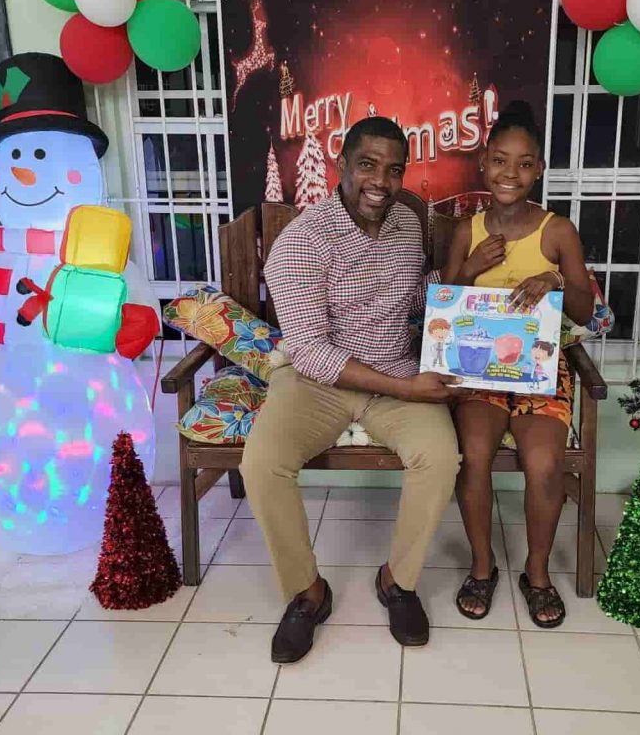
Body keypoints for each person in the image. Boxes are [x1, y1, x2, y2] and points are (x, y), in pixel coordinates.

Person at [240, 116, 462, 664]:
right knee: (261, 464)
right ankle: (307, 592)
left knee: (440, 458)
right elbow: (311, 352)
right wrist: (406, 388)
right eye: (367, 165)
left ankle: (398, 582)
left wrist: (462, 277)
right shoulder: (301, 242)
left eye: (394, 169)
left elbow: (411, 299)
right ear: (341, 163)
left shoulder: (406, 222)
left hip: (395, 370)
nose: (381, 181)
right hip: (319, 381)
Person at [441, 100, 595, 628]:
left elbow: (583, 312)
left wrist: (556, 279)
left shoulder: (557, 231)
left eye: (525, 163)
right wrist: (470, 268)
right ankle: (482, 566)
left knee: (544, 464)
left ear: (539, 170)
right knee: (474, 455)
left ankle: (537, 573)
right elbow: (444, 307)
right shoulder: (467, 231)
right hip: (478, 370)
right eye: (501, 161)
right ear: (484, 164)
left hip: (540, 371)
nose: (511, 173)